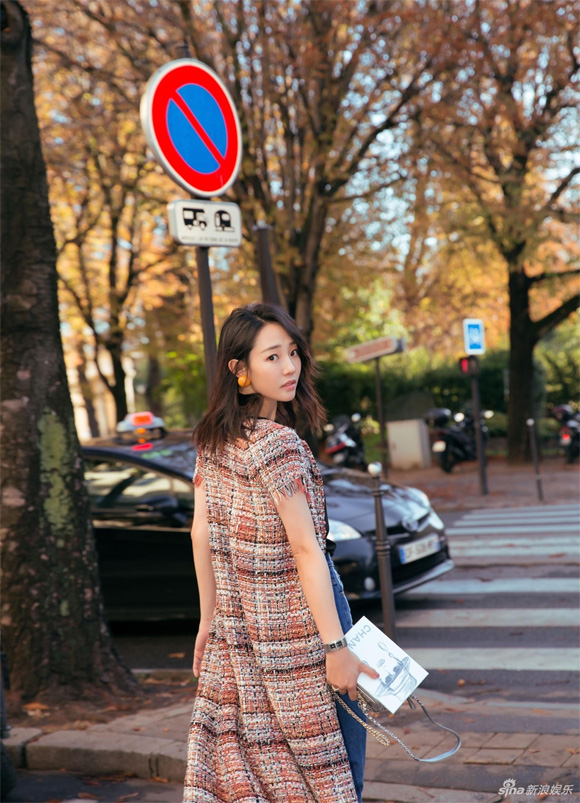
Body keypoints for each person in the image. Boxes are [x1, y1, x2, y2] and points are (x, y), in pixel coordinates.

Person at [183, 303, 378, 803]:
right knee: (331, 771)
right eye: (272, 357)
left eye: (292, 352)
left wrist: (209, 620)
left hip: (242, 628)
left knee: (264, 771)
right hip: (301, 625)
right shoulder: (278, 446)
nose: (289, 367)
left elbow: (199, 534)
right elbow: (307, 550)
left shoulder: (213, 441)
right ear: (240, 371)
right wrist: (336, 649)